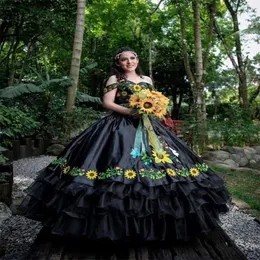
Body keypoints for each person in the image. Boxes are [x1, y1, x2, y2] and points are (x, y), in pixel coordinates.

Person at [19, 47, 230, 242]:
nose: (129, 62)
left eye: (132, 58)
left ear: (137, 60)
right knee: (117, 165)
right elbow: (108, 103)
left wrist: (154, 111)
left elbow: (155, 100)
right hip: (118, 127)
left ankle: (159, 225)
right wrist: (132, 112)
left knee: (165, 167)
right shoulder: (115, 78)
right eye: (124, 59)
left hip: (149, 126)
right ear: (119, 63)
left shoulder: (146, 79)